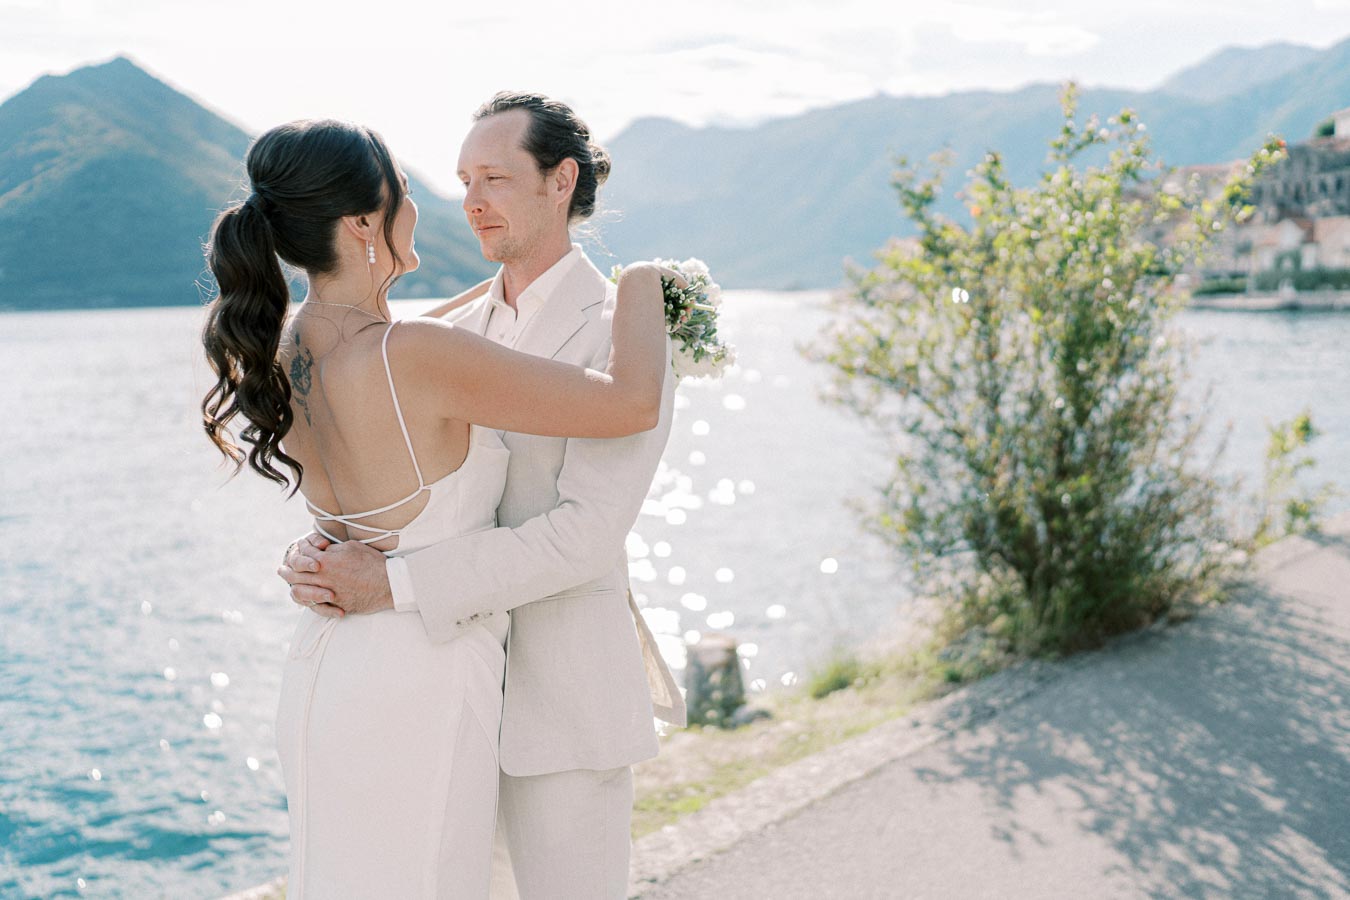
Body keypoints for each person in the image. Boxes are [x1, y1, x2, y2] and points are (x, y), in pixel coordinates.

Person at [200, 117, 672, 898]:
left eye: (489, 179)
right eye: (414, 191)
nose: (446, 206)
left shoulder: (286, 348)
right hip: (421, 670)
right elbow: (630, 400)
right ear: (362, 223)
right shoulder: (417, 354)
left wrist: (311, 551)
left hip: (329, 664)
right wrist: (650, 285)